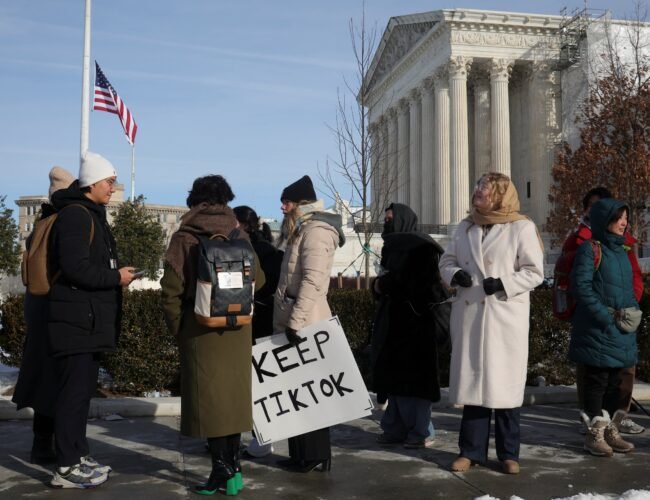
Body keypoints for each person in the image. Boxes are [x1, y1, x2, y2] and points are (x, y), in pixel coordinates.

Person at [161, 175, 265, 495]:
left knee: (211, 404)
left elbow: (170, 292)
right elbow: (258, 281)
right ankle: (233, 471)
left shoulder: (184, 237)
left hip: (201, 329)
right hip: (237, 328)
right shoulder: (238, 232)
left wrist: (179, 329)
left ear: (194, 200)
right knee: (231, 403)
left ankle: (221, 472)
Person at [439, 172, 544, 475]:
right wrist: (454, 274)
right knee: (474, 386)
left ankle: (509, 453)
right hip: (471, 315)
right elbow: (446, 261)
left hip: (503, 317)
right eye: (476, 186)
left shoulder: (520, 227)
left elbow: (535, 271)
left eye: (484, 187)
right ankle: (470, 452)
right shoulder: (465, 226)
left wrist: (503, 283)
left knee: (506, 388)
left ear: (499, 194)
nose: (477, 191)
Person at [48, 152, 137, 488]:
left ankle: (77, 453)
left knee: (81, 393)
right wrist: (116, 277)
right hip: (75, 322)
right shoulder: (76, 216)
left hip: (86, 321)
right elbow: (75, 268)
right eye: (109, 182)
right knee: (72, 395)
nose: (113, 188)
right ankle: (66, 467)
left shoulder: (92, 215)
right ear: (91, 183)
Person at [273, 175, 345, 473]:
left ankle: (314, 455)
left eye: (287, 202)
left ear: (300, 205)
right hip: (294, 317)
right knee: (296, 392)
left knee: (309, 394)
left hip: (305, 321)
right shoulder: (301, 230)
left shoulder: (316, 232)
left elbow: (313, 281)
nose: (282, 207)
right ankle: (301, 453)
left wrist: (296, 322)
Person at [561, 187, 644, 436]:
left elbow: (633, 277)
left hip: (622, 320)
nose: (623, 222)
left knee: (619, 377)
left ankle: (615, 422)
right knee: (595, 376)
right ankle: (595, 425)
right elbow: (579, 283)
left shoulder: (623, 245)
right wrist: (604, 313)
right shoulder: (586, 243)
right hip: (597, 320)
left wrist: (632, 307)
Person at [12, 167, 75, 466]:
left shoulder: (40, 225)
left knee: (42, 379)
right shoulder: (61, 225)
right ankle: (47, 446)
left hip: (37, 310)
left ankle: (42, 443)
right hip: (54, 310)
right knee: (54, 382)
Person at [371, 203, 445, 449]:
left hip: (417, 325)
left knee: (416, 384)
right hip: (395, 322)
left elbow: (422, 284)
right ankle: (395, 427)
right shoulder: (392, 245)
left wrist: (387, 285)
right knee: (394, 380)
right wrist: (379, 287)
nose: (387, 222)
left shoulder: (421, 246)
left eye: (391, 218)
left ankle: (422, 430)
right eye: (386, 218)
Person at [233, 205, 283, 458]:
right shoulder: (268, 250)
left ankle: (261, 439)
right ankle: (261, 439)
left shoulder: (251, 250)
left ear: (241, 224)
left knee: (255, 384)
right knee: (260, 382)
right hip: (264, 321)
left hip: (254, 322)